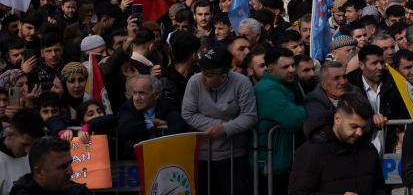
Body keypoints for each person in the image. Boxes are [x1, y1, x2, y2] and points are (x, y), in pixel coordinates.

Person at [181, 48, 258, 195]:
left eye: (209, 75)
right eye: (202, 71)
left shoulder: (242, 83)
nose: (203, 77)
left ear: (223, 77)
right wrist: (217, 125)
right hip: (202, 155)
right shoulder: (194, 81)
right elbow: (188, 113)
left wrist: (226, 128)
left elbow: (250, 116)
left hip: (234, 155)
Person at [288, 92, 386, 195]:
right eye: (354, 126)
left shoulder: (368, 149)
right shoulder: (311, 152)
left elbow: (380, 189)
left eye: (363, 127)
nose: (359, 133)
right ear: (337, 119)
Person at [254, 47, 307, 195]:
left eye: (292, 65)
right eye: (285, 67)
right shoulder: (267, 90)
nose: (291, 70)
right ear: (270, 69)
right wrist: (307, 110)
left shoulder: (286, 84)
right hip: (273, 164)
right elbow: (294, 119)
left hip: (283, 160)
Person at [116, 75, 187, 158]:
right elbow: (124, 127)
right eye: (135, 93)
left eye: (141, 93)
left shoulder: (165, 106)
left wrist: (165, 148)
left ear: (156, 95)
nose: (136, 98)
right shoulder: (128, 107)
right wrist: (152, 123)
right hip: (134, 161)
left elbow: (179, 124)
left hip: (162, 158)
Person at [9, 137, 91, 195]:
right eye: (62, 167)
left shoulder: (78, 192)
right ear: (39, 172)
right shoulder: (22, 191)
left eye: (70, 164)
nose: (71, 172)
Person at [0, 110, 44, 195]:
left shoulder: (37, 156)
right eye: (25, 144)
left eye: (33, 145)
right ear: (9, 134)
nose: (28, 151)